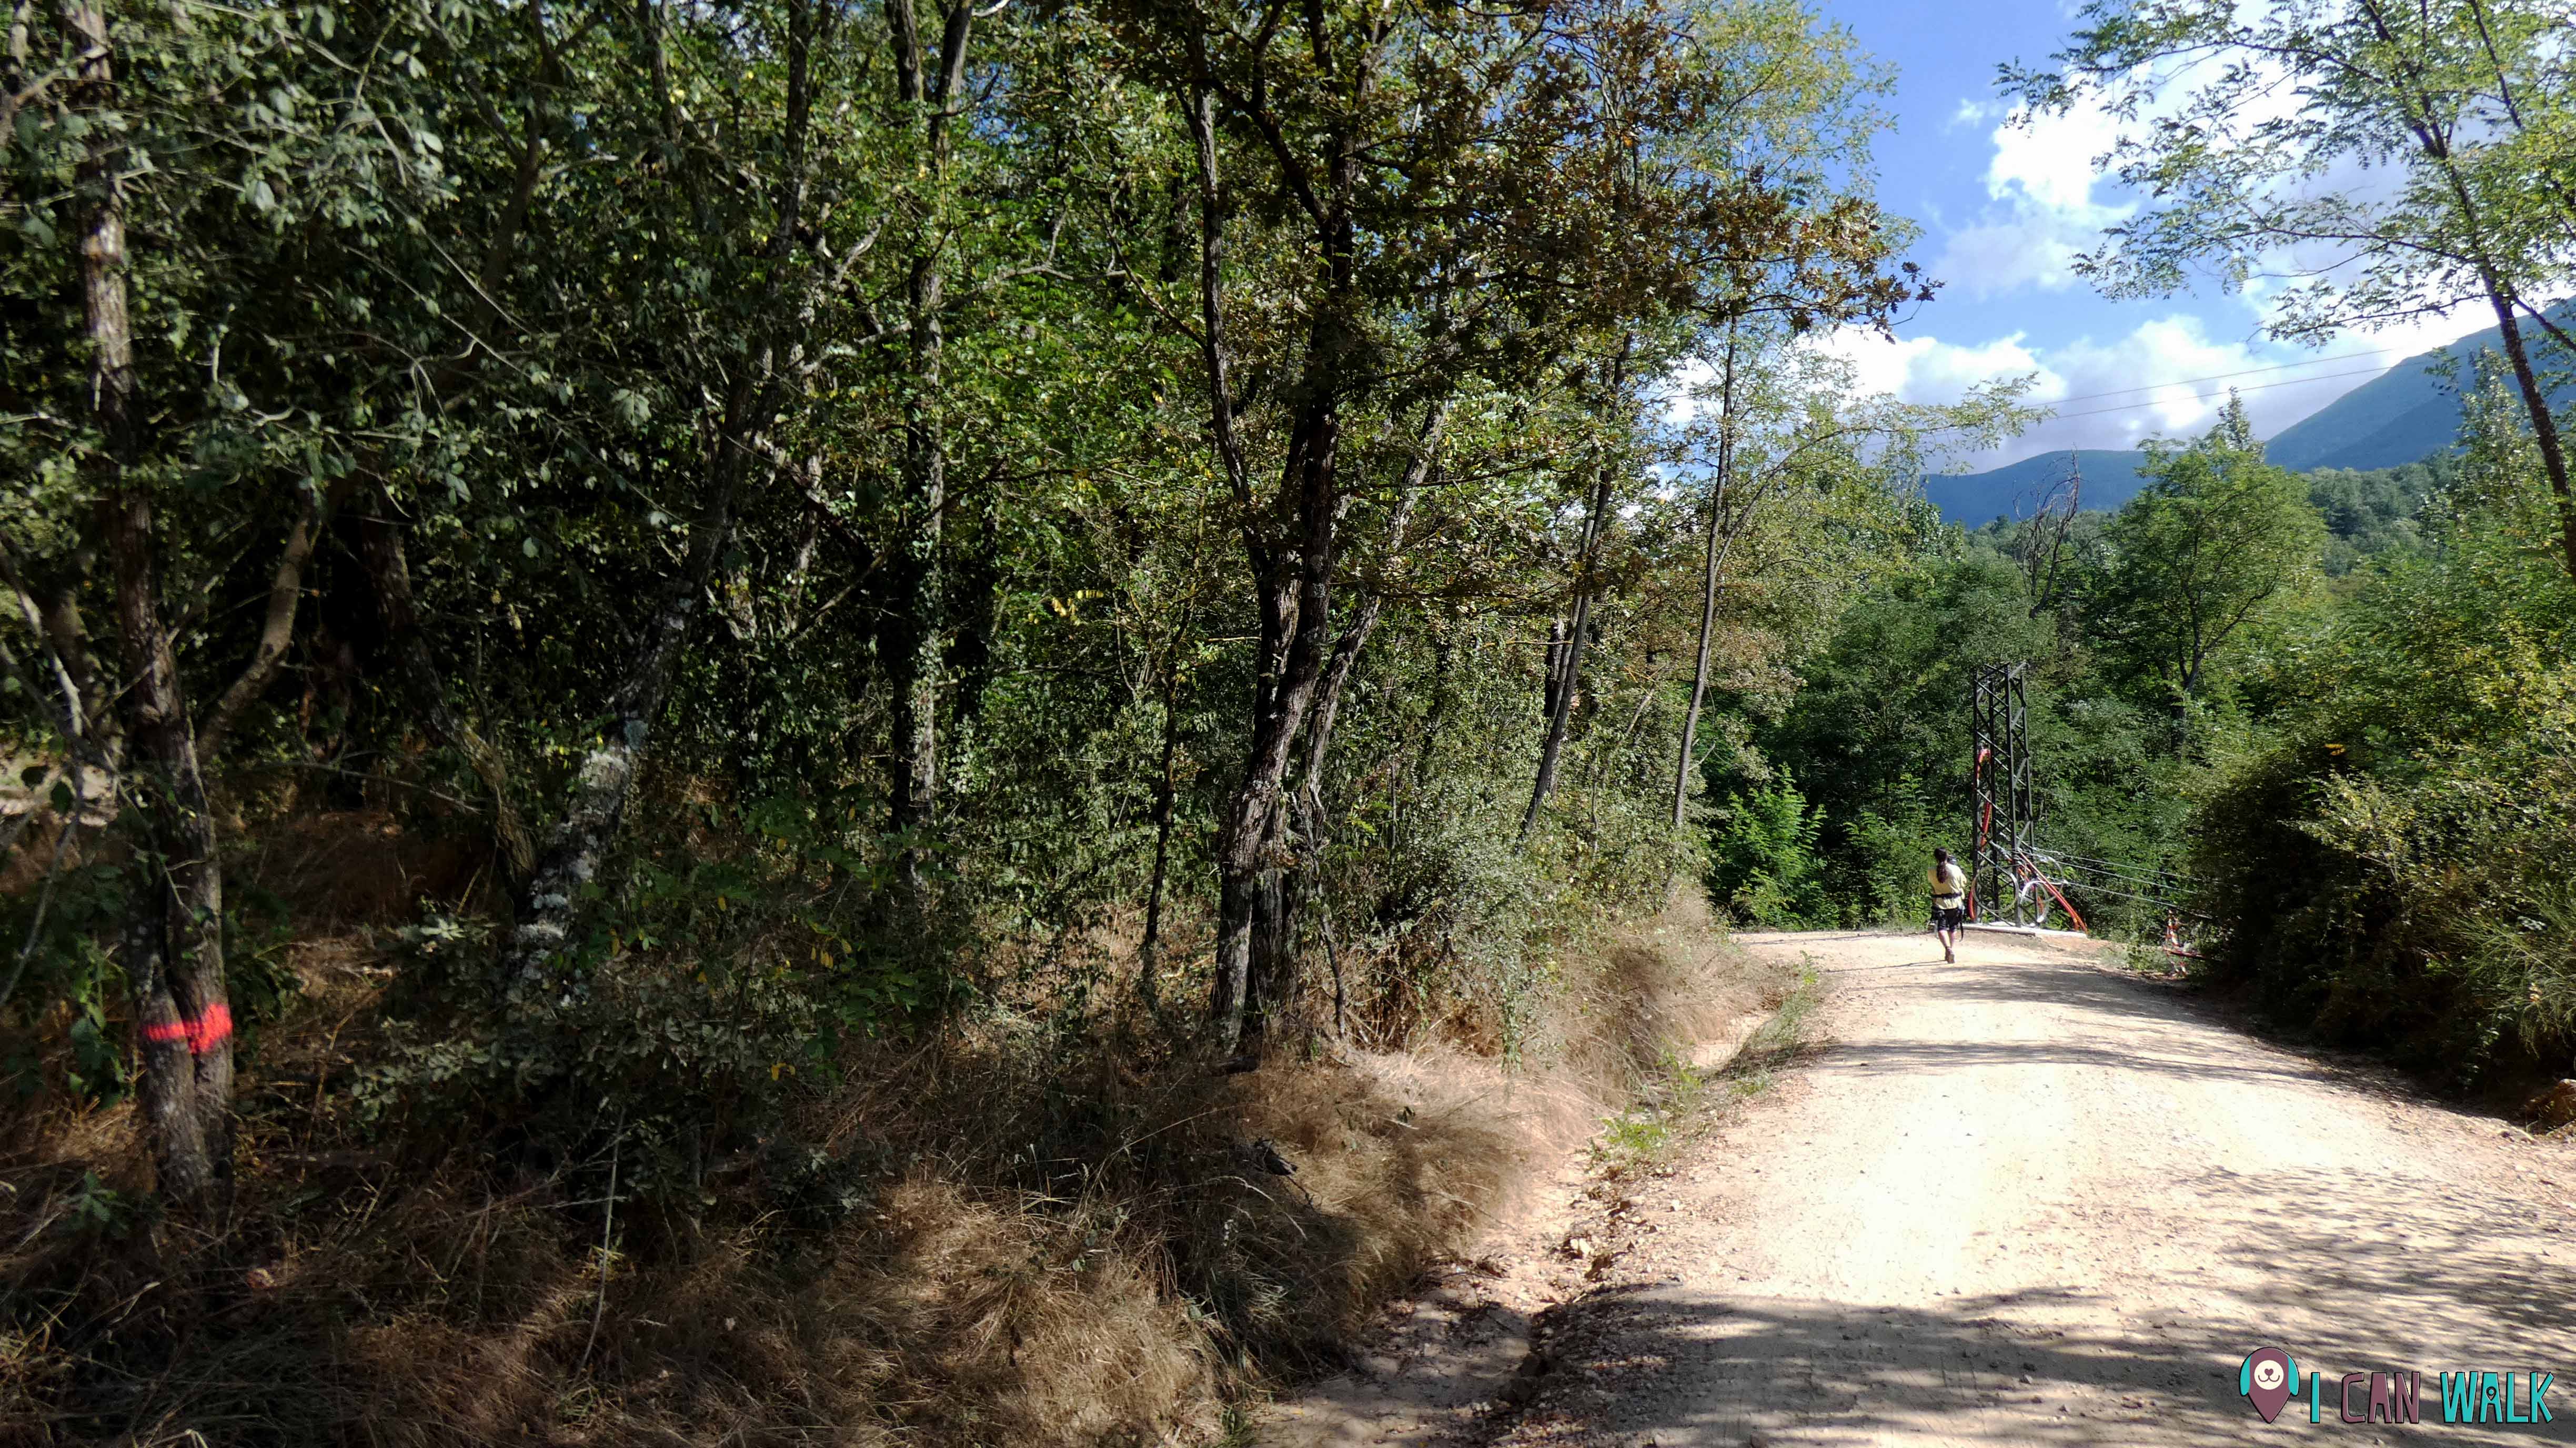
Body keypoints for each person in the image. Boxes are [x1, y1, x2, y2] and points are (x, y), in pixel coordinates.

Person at [1929, 848, 1968, 962]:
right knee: (1953, 928)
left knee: (1942, 928)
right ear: (1947, 856)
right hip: (1956, 902)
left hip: (1940, 903)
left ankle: (1948, 949)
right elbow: (1964, 883)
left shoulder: (1931, 870)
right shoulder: (1955, 869)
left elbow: (1931, 883)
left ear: (1935, 857)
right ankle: (1951, 950)